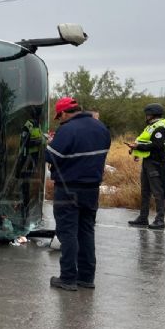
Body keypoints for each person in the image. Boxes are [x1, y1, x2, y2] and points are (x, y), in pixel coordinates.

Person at [45, 97, 110, 291]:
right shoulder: (101, 128)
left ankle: (67, 278)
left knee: (68, 233)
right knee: (86, 232)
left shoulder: (67, 130)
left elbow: (52, 156)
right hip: (92, 189)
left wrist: (48, 144)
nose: (60, 120)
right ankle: (86, 278)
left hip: (68, 188)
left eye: (60, 117)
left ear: (65, 113)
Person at [127, 103, 165, 230]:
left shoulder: (160, 128)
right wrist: (137, 152)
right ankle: (143, 218)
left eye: (147, 114)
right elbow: (145, 141)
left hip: (158, 163)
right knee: (145, 191)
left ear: (151, 114)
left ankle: (160, 220)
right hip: (149, 161)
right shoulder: (152, 126)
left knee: (158, 192)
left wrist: (138, 147)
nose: (145, 116)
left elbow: (157, 146)